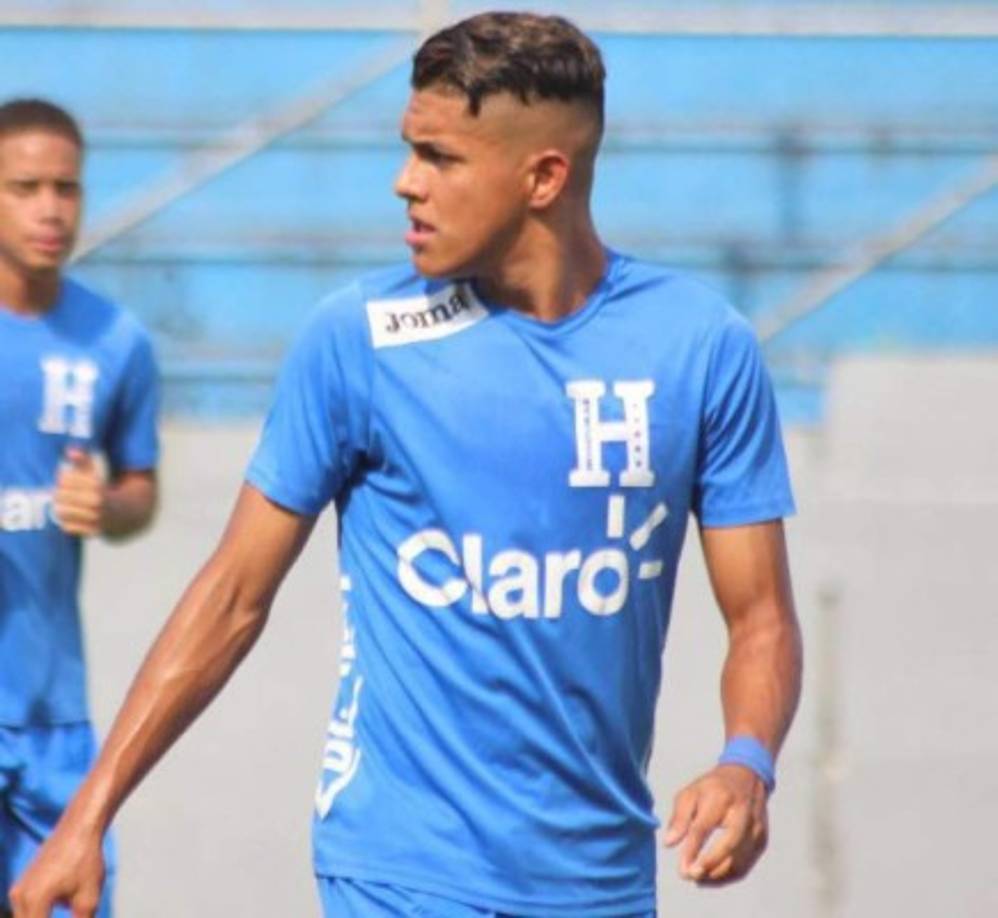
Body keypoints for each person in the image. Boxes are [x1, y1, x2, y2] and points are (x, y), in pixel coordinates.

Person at [12, 12, 802, 917]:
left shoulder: (699, 347)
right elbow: (232, 595)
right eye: (408, 150)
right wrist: (88, 817)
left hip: (601, 882)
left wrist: (749, 762)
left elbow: (762, 617)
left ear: (543, 176)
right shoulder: (357, 341)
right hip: (394, 868)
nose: (404, 183)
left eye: (440, 158)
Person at [0, 99, 159, 917]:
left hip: (53, 716)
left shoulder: (116, 340)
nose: (50, 209)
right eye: (25, 187)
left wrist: (107, 504)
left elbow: (142, 492)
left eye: (66, 187)